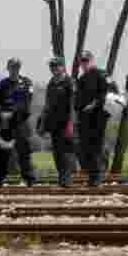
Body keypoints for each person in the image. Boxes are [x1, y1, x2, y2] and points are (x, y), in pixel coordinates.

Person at [0, 58, 37, 188]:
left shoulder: (27, 83)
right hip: (5, 123)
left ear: (19, 68)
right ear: (8, 68)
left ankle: (29, 180)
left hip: (20, 122)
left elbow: (27, 103)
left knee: (24, 152)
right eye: (12, 67)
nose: (14, 70)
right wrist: (1, 113)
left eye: (16, 67)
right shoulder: (2, 84)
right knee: (2, 153)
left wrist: (13, 112)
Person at [37, 56, 76, 188]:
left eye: (55, 66)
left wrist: (70, 123)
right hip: (53, 124)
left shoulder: (69, 82)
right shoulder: (51, 83)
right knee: (57, 152)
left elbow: (72, 104)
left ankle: (67, 179)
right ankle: (62, 177)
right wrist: (42, 122)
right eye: (51, 66)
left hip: (66, 123)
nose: (53, 68)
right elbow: (47, 105)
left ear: (62, 67)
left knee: (66, 151)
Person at [75, 51, 110, 187]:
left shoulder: (102, 74)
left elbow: (108, 92)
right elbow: (78, 100)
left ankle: (96, 178)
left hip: (98, 118)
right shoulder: (81, 78)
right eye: (81, 61)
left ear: (92, 60)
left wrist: (94, 104)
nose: (83, 63)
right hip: (84, 118)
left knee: (95, 148)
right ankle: (92, 176)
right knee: (84, 148)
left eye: (86, 60)